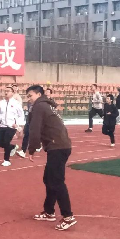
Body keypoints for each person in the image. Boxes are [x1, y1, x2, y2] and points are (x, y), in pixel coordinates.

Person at [27, 85, 76, 231]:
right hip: (60, 145)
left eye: (30, 95)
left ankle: (68, 216)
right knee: (49, 179)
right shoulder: (48, 106)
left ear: (38, 94)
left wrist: (32, 149)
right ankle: (49, 211)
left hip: (58, 147)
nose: (28, 99)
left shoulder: (39, 106)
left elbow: (35, 129)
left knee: (56, 181)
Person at [0, 85, 25, 166]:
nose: (6, 92)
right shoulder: (1, 102)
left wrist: (17, 124)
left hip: (11, 126)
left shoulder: (16, 103)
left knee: (6, 142)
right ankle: (13, 147)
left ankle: (6, 160)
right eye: (5, 91)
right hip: (2, 125)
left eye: (8, 91)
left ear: (12, 93)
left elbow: (21, 115)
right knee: (0, 143)